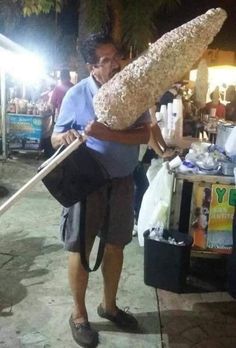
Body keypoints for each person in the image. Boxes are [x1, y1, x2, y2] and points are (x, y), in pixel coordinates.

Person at [51, 32, 151, 347]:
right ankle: (78, 314)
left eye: (115, 57)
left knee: (116, 246)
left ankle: (109, 306)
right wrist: (65, 138)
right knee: (80, 249)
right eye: (105, 60)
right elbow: (56, 137)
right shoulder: (77, 94)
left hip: (123, 180)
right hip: (87, 182)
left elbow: (143, 135)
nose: (114, 64)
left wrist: (107, 132)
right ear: (92, 66)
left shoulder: (132, 92)